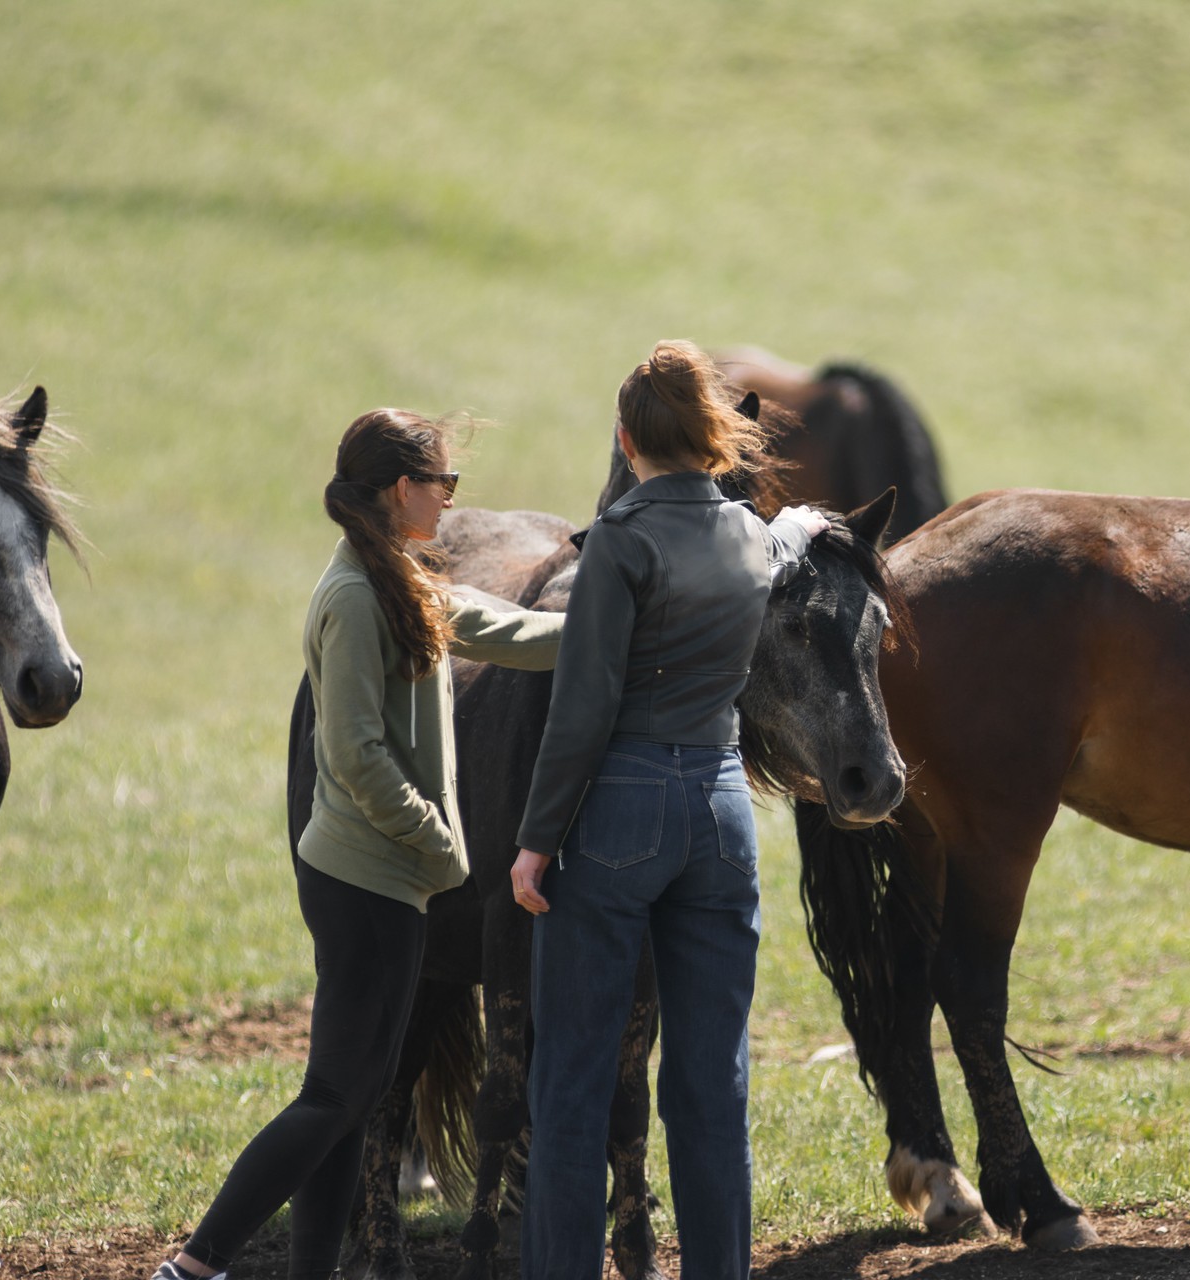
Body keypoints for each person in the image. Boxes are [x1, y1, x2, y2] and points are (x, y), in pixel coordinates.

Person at [153, 409, 568, 1280]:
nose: (453, 497)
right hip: (363, 883)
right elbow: (354, 755)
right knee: (331, 1099)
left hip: (390, 882)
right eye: (441, 482)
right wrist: (441, 848)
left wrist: (604, 630)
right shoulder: (351, 596)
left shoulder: (401, 581)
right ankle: (196, 1265)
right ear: (396, 490)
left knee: (353, 1100)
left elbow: (506, 632)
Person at [509, 341, 830, 1280]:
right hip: (725, 812)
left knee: (571, 1076)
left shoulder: (619, 543)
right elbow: (791, 535)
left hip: (620, 808)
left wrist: (534, 844)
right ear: (711, 436)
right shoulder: (750, 535)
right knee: (712, 1082)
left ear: (624, 439)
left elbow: (582, 708)